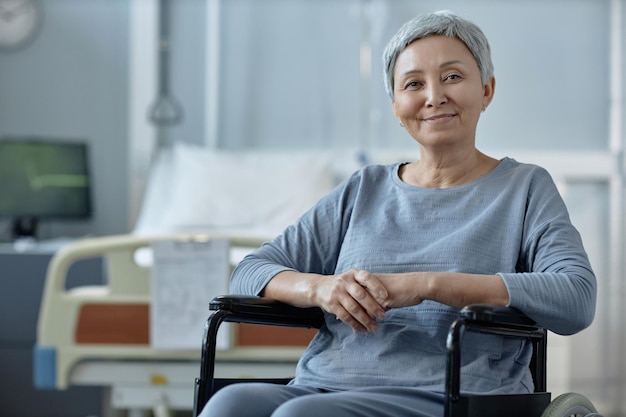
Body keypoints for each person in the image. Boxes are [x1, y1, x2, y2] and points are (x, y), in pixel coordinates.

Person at [199, 10, 596, 417]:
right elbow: (251, 271)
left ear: (487, 90)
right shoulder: (364, 189)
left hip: (450, 392)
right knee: (229, 404)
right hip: (325, 383)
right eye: (413, 84)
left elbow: (576, 297)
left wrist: (428, 284)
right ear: (395, 106)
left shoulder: (524, 188)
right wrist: (321, 289)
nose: (433, 96)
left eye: (453, 77)